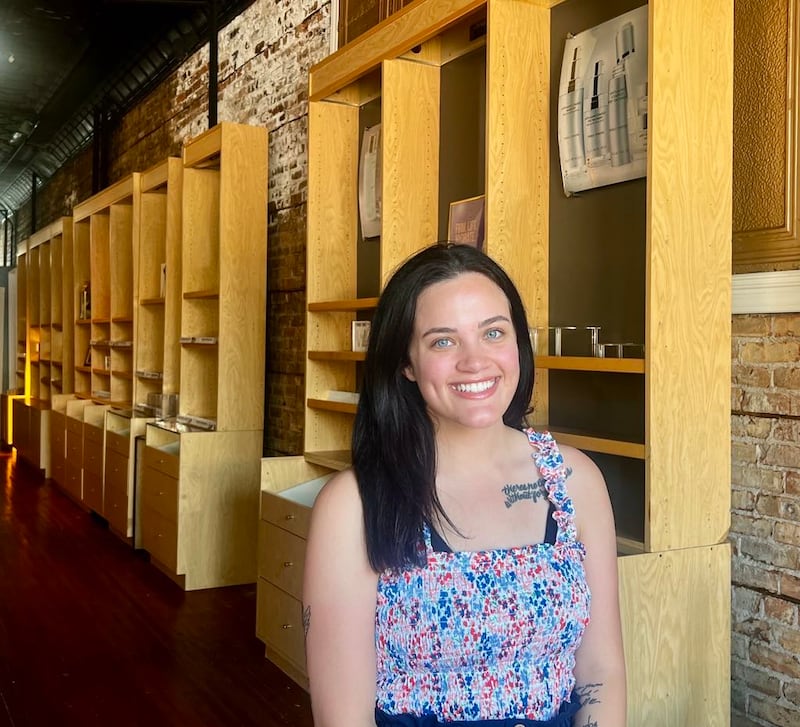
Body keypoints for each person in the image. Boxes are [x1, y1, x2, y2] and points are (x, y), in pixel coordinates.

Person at [303, 242, 626, 726]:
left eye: (493, 333)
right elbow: (344, 718)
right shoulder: (354, 505)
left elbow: (601, 672)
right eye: (443, 341)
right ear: (405, 363)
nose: (475, 362)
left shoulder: (573, 481)